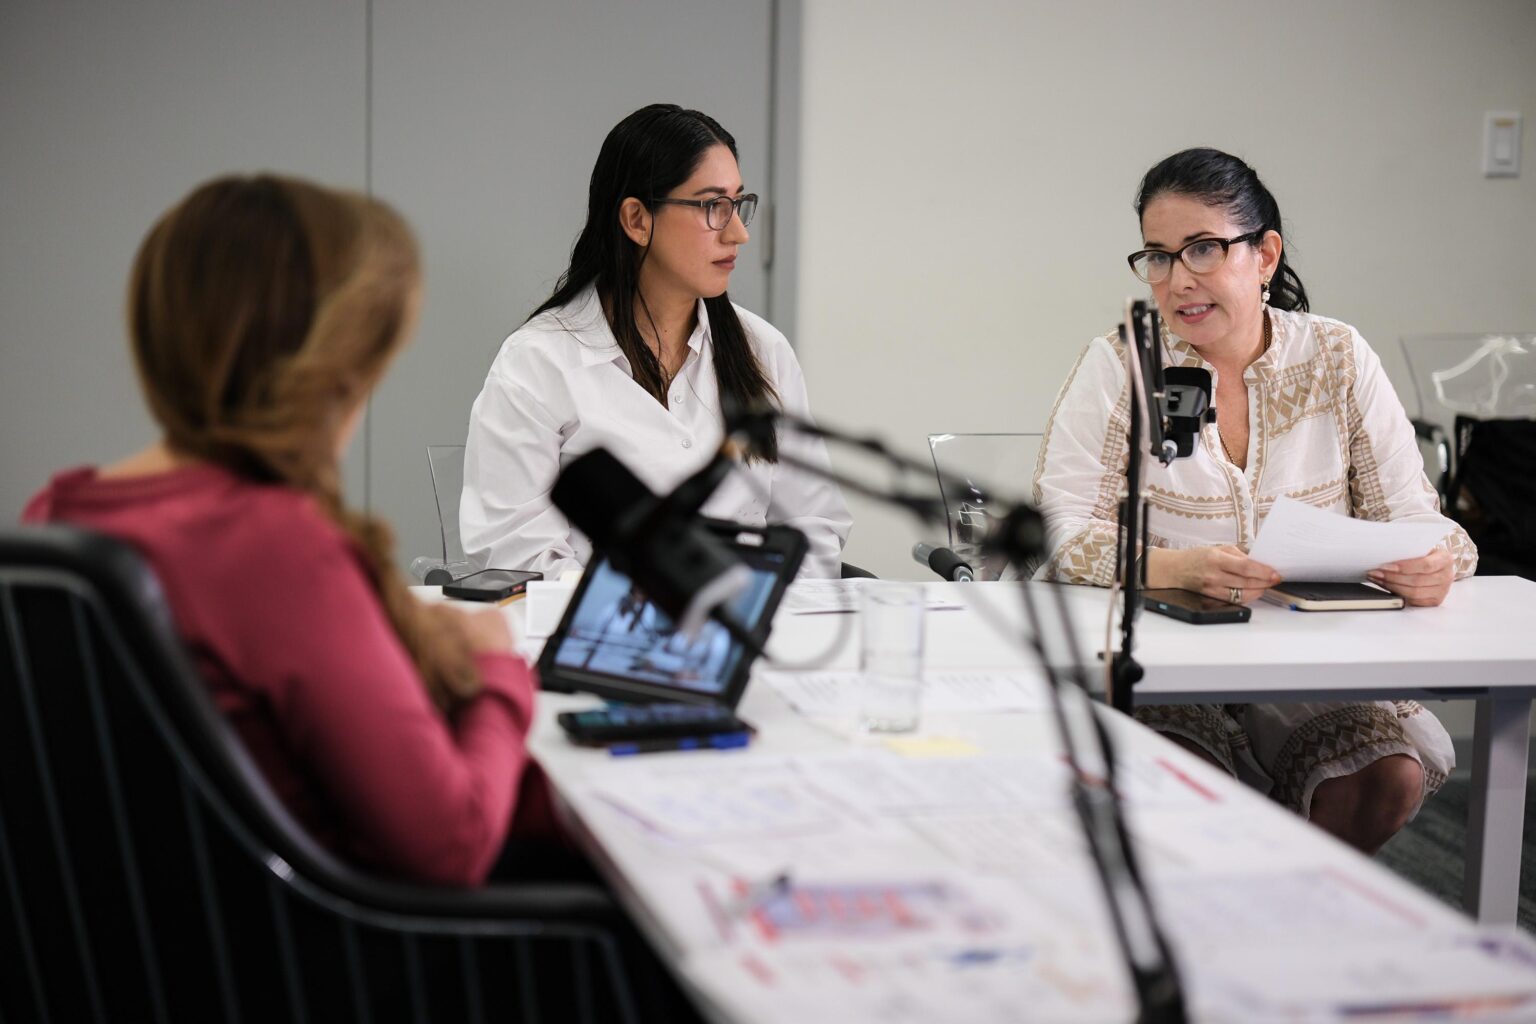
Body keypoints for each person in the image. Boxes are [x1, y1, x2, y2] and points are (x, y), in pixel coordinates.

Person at [22, 175, 555, 886]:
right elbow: (452, 846)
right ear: (333, 375)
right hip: (343, 966)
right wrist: (496, 670)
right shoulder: (275, 548)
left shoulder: (57, 517)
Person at [1034, 148, 1478, 853]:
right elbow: (1055, 533)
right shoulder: (1121, 363)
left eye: (1204, 249)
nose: (1179, 280)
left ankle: (1294, 934)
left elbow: (1427, 523)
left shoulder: (1336, 356)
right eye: (1158, 255)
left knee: (1383, 775)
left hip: (1304, 653)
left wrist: (1437, 561)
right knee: (1182, 783)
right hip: (1162, 651)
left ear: (1265, 255)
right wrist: (1176, 568)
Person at [461, 103, 851, 580]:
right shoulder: (538, 363)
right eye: (713, 207)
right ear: (636, 219)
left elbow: (812, 527)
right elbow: (513, 553)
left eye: (738, 203)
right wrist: (657, 612)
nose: (739, 233)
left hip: (752, 641)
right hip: (604, 644)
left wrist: (753, 614)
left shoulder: (763, 351)